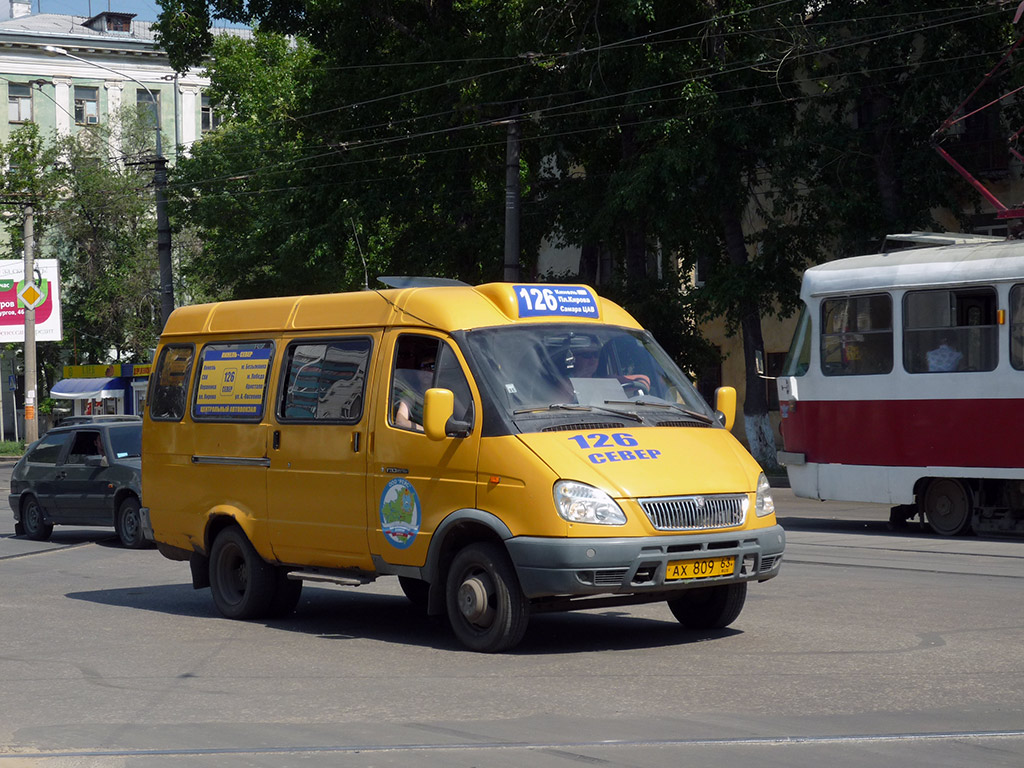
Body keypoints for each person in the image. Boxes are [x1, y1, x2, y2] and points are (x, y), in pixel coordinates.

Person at [394, 355, 434, 431]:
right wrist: (428, 432)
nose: (426, 371)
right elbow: (400, 421)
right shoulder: (411, 394)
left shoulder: (447, 392)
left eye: (432, 366)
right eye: (423, 366)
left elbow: (462, 417)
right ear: (417, 372)